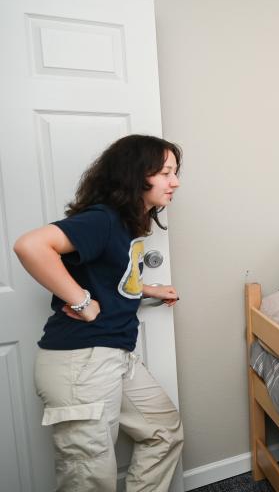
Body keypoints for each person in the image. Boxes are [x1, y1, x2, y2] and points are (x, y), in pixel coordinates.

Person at [14, 134, 184, 491]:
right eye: (166, 172)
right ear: (136, 174)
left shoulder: (125, 224)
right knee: (89, 480)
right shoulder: (103, 219)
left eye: (175, 172)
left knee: (163, 432)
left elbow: (111, 278)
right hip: (80, 361)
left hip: (114, 355)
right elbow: (30, 246)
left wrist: (148, 289)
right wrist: (82, 303)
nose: (175, 182)